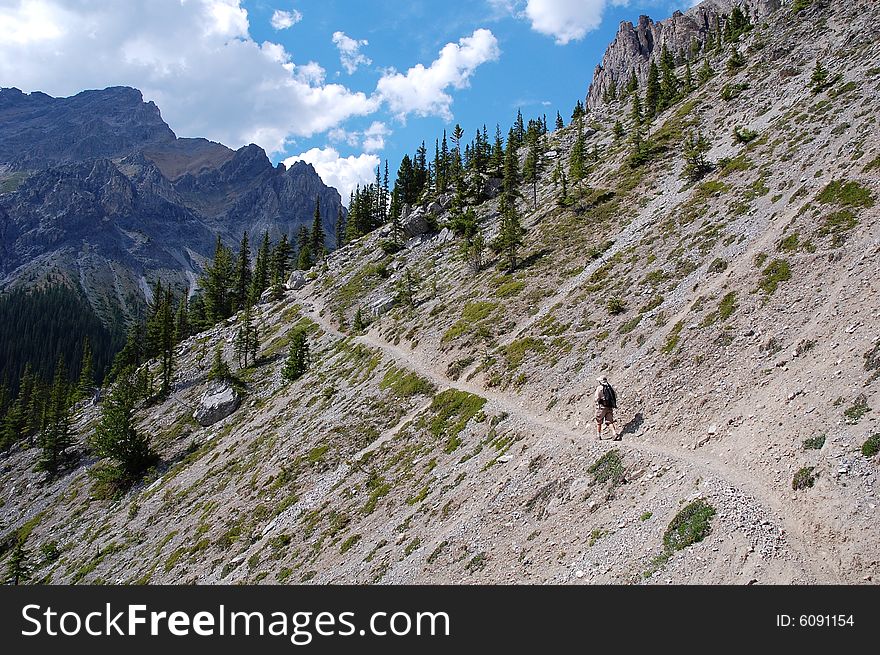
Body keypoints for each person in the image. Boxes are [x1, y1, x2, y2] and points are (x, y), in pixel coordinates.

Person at [594, 375, 619, 440]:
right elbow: (615, 395)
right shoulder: (610, 387)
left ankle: (598, 436)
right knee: (609, 421)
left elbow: (596, 398)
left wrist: (597, 403)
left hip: (601, 407)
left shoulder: (599, 388)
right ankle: (614, 433)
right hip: (609, 407)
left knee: (599, 421)